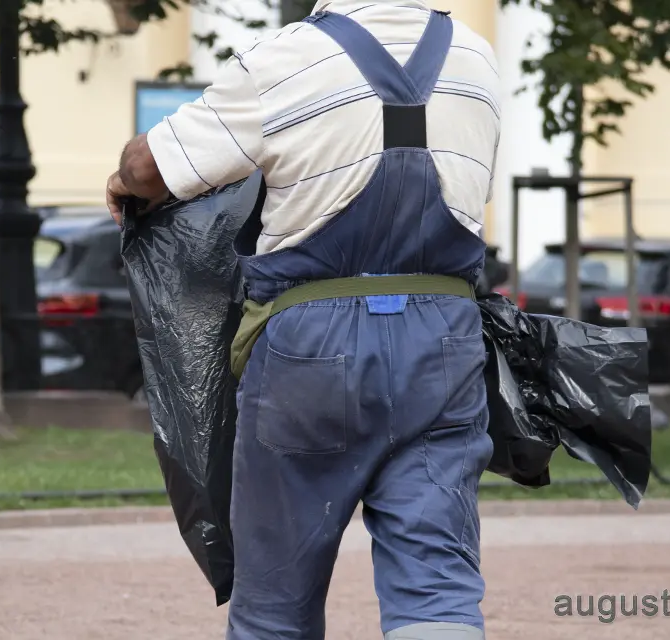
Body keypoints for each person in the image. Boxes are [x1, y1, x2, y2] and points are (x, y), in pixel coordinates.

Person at [107, 1, 502, 638]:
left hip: (312, 344)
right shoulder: (476, 58)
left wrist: (125, 181)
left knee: (274, 606)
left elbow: (152, 168)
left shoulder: (286, 58)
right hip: (445, 342)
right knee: (436, 591)